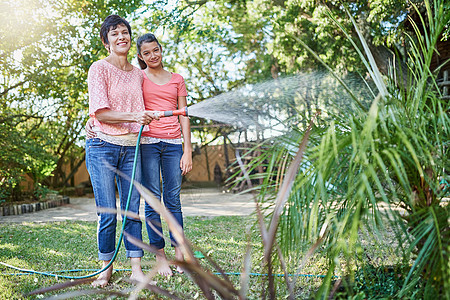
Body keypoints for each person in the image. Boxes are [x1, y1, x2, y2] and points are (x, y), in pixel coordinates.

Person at [86, 15, 156, 287]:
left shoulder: (139, 73)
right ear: (106, 42)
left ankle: (136, 267)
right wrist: (94, 120)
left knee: (132, 209)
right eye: (114, 33)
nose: (121, 37)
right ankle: (106, 268)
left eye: (124, 32)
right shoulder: (98, 69)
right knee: (107, 211)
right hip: (102, 146)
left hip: (132, 148)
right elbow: (101, 112)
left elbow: (153, 98)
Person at [136, 33, 193, 276]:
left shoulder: (177, 79)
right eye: (146, 53)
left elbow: (184, 115)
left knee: (172, 199)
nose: (152, 56)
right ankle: (160, 257)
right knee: (152, 201)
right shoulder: (138, 78)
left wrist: (187, 150)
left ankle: (179, 254)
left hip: (173, 145)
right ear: (140, 56)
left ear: (161, 50)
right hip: (147, 143)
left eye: (155, 50)